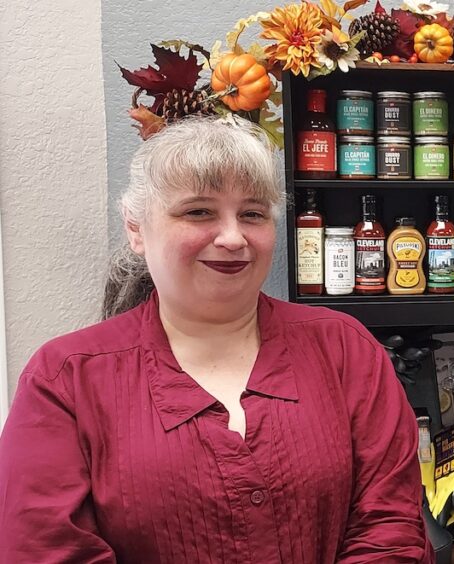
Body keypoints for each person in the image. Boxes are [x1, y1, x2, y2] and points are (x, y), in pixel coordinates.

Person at [0, 117, 432, 563]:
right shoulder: (65, 380)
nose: (232, 237)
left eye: (252, 214)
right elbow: (45, 550)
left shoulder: (343, 349)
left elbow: (390, 528)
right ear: (136, 229)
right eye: (198, 212)